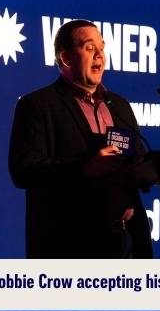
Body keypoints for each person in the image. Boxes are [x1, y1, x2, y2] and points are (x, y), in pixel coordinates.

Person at [8, 19, 151, 259]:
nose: (100, 55)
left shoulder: (119, 105)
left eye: (102, 47)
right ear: (65, 59)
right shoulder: (38, 105)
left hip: (126, 242)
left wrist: (150, 170)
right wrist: (85, 168)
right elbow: (23, 170)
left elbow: (136, 158)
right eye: (89, 47)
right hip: (71, 245)